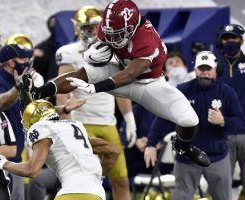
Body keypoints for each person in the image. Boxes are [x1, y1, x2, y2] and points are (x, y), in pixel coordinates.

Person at [25, 0, 210, 167]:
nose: (112, 38)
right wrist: (95, 53)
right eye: (109, 33)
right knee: (82, 73)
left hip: (147, 85)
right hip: (118, 70)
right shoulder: (108, 27)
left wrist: (96, 88)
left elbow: (130, 75)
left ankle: (183, 146)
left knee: (189, 120)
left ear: (132, 27)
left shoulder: (146, 41)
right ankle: (39, 92)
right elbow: (102, 46)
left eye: (118, 34)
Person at [54, 6, 135, 200]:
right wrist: (67, 124)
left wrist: (129, 118)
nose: (91, 32)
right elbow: (61, 91)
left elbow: (120, 89)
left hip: (109, 123)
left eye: (94, 27)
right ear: (77, 28)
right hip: (82, 122)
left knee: (121, 179)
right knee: (84, 181)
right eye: (87, 27)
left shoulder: (114, 52)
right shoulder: (70, 53)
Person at [145, 51, 245, 200]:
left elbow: (240, 122)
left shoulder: (227, 92)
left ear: (216, 69)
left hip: (217, 156)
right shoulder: (182, 90)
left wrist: (223, 121)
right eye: (201, 68)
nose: (204, 73)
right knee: (181, 197)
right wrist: (151, 144)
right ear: (195, 69)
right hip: (187, 158)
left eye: (208, 68)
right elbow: (162, 117)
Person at [0, 99, 120, 200]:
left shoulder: (42, 128)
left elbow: (32, 170)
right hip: (97, 194)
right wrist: (99, 178)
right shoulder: (74, 127)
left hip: (72, 192)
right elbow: (113, 151)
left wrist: (3, 163)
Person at [216, 24, 245, 192]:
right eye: (226, 38)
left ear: (241, 39)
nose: (229, 41)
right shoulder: (212, 66)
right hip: (222, 132)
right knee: (222, 183)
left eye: (233, 37)